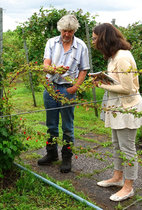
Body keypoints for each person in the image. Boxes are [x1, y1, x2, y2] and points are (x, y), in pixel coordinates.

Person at [92, 23, 142, 202]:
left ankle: (128, 187)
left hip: (128, 108)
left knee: (127, 148)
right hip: (117, 108)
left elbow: (127, 88)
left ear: (104, 38)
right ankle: (117, 177)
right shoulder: (113, 56)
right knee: (116, 144)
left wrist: (101, 84)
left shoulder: (122, 57)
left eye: (94, 38)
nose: (92, 41)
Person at [37, 14, 90, 173]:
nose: (66, 34)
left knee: (67, 125)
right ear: (60, 30)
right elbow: (45, 64)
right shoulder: (51, 42)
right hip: (51, 87)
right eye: (64, 31)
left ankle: (66, 157)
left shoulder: (81, 46)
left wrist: (75, 87)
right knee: (51, 124)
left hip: (68, 89)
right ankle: (51, 154)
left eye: (70, 31)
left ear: (74, 30)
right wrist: (54, 69)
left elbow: (84, 69)